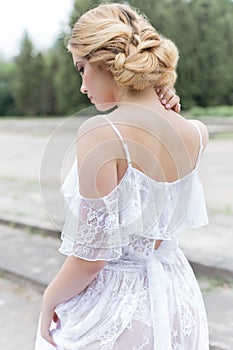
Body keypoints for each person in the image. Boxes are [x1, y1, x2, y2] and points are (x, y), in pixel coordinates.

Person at [35, 3, 209, 349]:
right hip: (177, 300)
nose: (82, 85)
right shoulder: (197, 133)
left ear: (106, 60)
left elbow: (92, 258)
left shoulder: (101, 135)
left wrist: (48, 299)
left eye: (82, 68)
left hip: (119, 308)